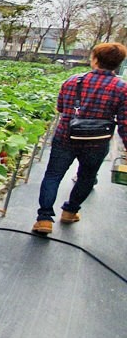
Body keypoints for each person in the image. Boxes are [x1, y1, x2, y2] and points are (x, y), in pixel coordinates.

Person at [32, 42, 127, 234]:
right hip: (97, 141)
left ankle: (44, 219)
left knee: (53, 175)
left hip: (66, 136)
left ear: (95, 59)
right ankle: (70, 212)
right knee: (86, 177)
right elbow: (125, 122)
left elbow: (60, 107)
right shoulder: (122, 88)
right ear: (118, 63)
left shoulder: (73, 81)